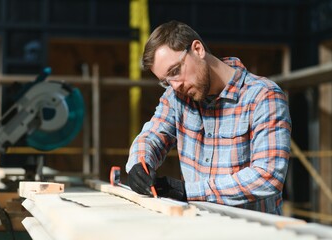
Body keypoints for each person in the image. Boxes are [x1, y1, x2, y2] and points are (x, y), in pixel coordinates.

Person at [125, 20, 291, 214]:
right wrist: (139, 162)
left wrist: (187, 191)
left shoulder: (263, 97)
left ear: (197, 49)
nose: (175, 85)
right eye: (166, 81)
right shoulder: (176, 98)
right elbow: (152, 136)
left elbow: (267, 176)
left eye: (175, 71)